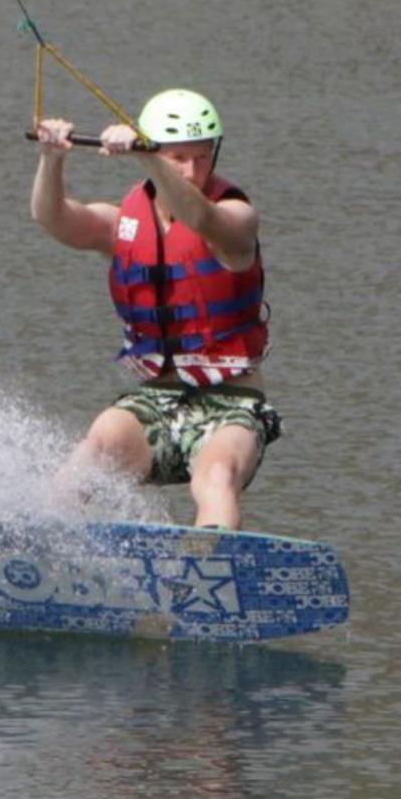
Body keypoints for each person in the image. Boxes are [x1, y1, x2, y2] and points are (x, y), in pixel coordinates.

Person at [30, 88, 279, 530]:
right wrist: (53, 159)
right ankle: (42, 550)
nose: (192, 170)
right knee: (94, 449)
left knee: (215, 477)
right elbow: (56, 220)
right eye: (178, 157)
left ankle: (211, 566)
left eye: (202, 157)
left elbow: (198, 219)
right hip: (155, 403)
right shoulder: (123, 223)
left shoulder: (237, 219)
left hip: (231, 406)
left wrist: (148, 158)